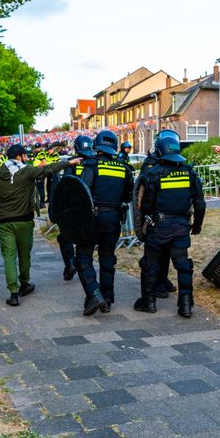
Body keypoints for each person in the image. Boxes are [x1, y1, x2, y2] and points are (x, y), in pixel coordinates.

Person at [0, 144, 76, 307]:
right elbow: (49, 169)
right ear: (19, 156)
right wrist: (68, 163)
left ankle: (13, 293)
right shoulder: (26, 171)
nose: (26, 158)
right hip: (24, 221)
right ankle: (24, 284)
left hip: (5, 223)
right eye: (24, 156)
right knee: (24, 254)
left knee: (9, 258)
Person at [136, 133, 206, 317]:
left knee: (149, 264)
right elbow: (200, 202)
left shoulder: (153, 173)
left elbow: (146, 205)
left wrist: (143, 225)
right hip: (181, 226)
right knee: (183, 265)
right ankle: (185, 304)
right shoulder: (189, 172)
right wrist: (197, 225)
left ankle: (148, 302)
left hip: (158, 226)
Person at [77, 129, 134, 316]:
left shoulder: (91, 165)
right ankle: (107, 299)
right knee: (107, 258)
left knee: (84, 256)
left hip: (92, 219)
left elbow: (81, 192)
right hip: (114, 219)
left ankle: (94, 293)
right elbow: (128, 195)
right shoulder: (123, 168)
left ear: (97, 146)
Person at [135, 129, 181, 301]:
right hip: (155, 215)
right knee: (155, 253)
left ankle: (162, 279)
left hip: (172, 213)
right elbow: (142, 189)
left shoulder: (177, 161)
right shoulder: (150, 163)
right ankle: (155, 285)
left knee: (168, 251)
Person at [51, 135, 96, 281]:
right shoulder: (95, 164)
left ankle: (71, 263)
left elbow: (62, 188)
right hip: (90, 210)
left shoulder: (70, 164)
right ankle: (82, 265)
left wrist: (55, 213)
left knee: (65, 237)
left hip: (72, 210)